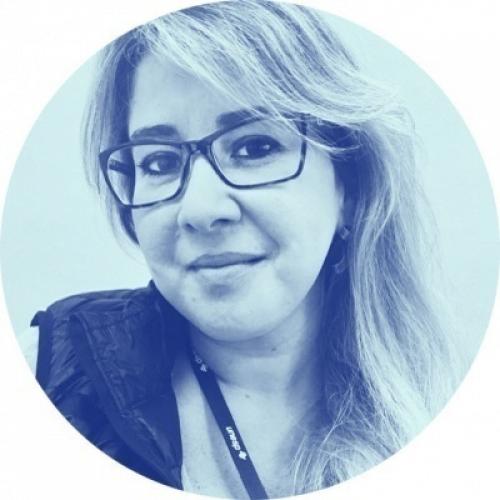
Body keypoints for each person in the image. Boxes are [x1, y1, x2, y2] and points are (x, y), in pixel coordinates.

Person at [24, 1, 463, 498]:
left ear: (350, 188)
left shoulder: (444, 418)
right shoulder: (46, 375)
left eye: (255, 148)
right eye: (159, 162)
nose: (200, 209)